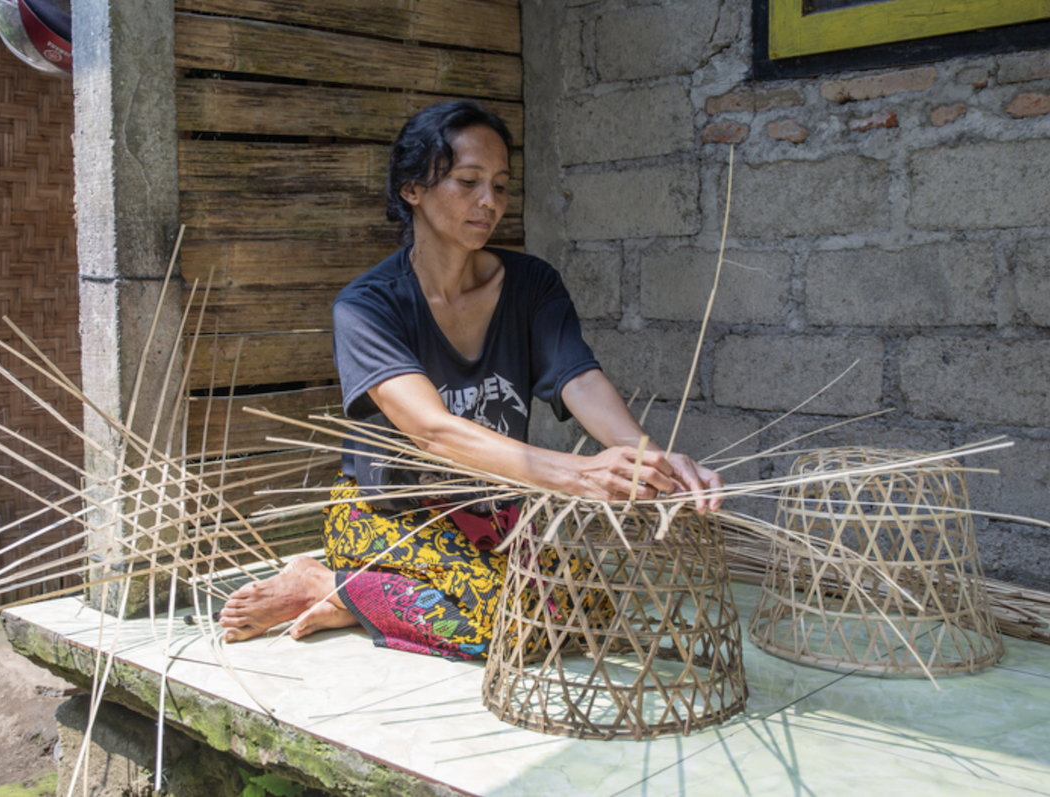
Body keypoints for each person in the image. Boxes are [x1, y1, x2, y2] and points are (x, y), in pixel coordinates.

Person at [219, 101, 722, 658]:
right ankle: (330, 581)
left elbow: (578, 378)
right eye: (468, 181)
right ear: (412, 188)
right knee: (505, 630)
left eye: (500, 185)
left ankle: (355, 596)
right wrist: (578, 474)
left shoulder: (532, 283)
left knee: (592, 612)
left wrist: (649, 457)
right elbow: (432, 431)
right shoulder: (366, 306)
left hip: (490, 515)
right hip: (392, 517)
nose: (490, 202)